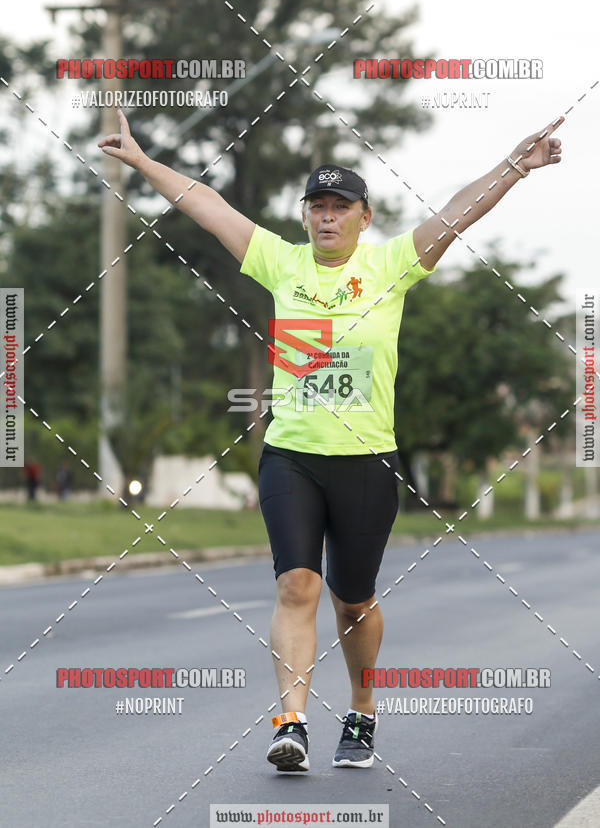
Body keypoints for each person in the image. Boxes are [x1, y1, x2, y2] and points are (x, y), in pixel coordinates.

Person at [99, 110, 563, 772]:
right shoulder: (280, 263)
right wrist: (143, 162)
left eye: (339, 207)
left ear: (363, 218)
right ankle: (290, 723)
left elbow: (459, 212)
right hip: (291, 456)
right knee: (295, 585)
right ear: (306, 215)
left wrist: (517, 164)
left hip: (368, 464)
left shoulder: (392, 266)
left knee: (354, 601)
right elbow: (207, 206)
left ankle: (363, 709)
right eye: (316, 206)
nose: (326, 217)